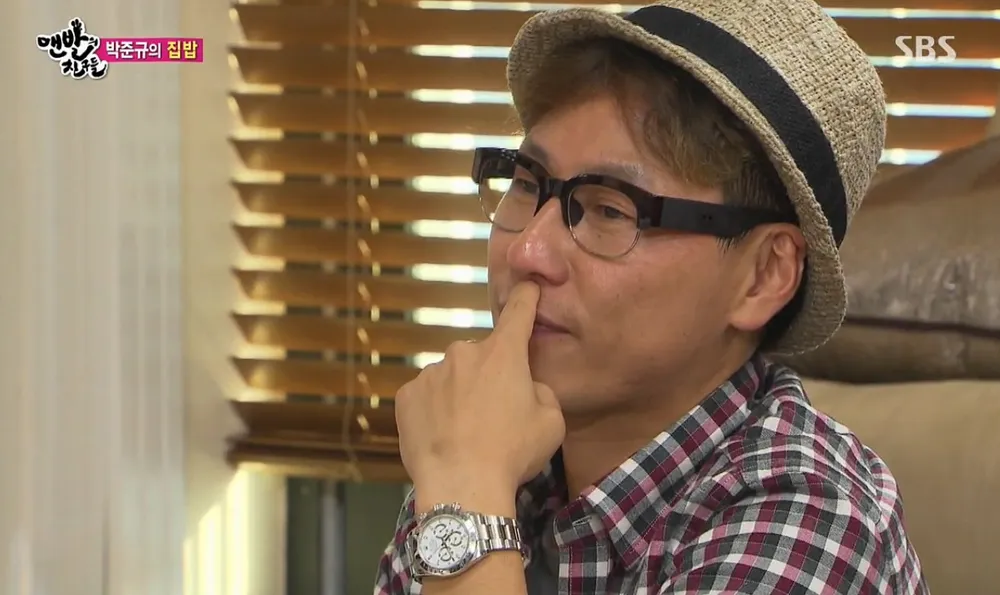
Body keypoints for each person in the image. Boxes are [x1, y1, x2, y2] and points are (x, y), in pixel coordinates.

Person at [374, 0, 928, 592]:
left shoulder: (815, 519)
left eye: (611, 211)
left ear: (763, 276)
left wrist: (467, 494)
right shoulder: (492, 449)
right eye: (527, 184)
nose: (527, 252)